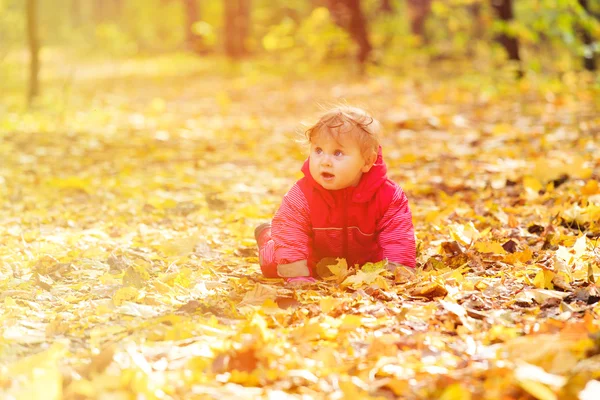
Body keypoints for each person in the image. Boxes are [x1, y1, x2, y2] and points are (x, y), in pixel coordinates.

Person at [255, 106, 416, 284]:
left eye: (338, 153)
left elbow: (398, 236)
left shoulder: (388, 196)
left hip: (364, 261)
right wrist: (297, 275)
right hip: (314, 256)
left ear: (367, 161)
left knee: (382, 260)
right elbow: (290, 232)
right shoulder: (302, 195)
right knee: (273, 263)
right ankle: (267, 237)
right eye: (318, 150)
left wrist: (398, 272)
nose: (325, 161)